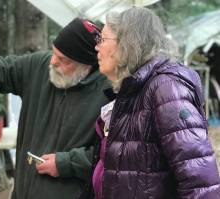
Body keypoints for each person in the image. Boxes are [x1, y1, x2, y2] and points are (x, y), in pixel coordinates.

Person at [0, 18, 109, 199]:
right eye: (54, 52)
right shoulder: (40, 66)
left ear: (86, 65)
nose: (53, 62)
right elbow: (3, 69)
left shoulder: (108, 93)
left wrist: (66, 164)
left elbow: (112, 157)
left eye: (63, 59)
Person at [91, 7, 220, 199]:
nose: (96, 47)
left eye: (102, 39)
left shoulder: (166, 89)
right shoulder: (134, 89)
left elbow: (199, 182)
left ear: (127, 42)